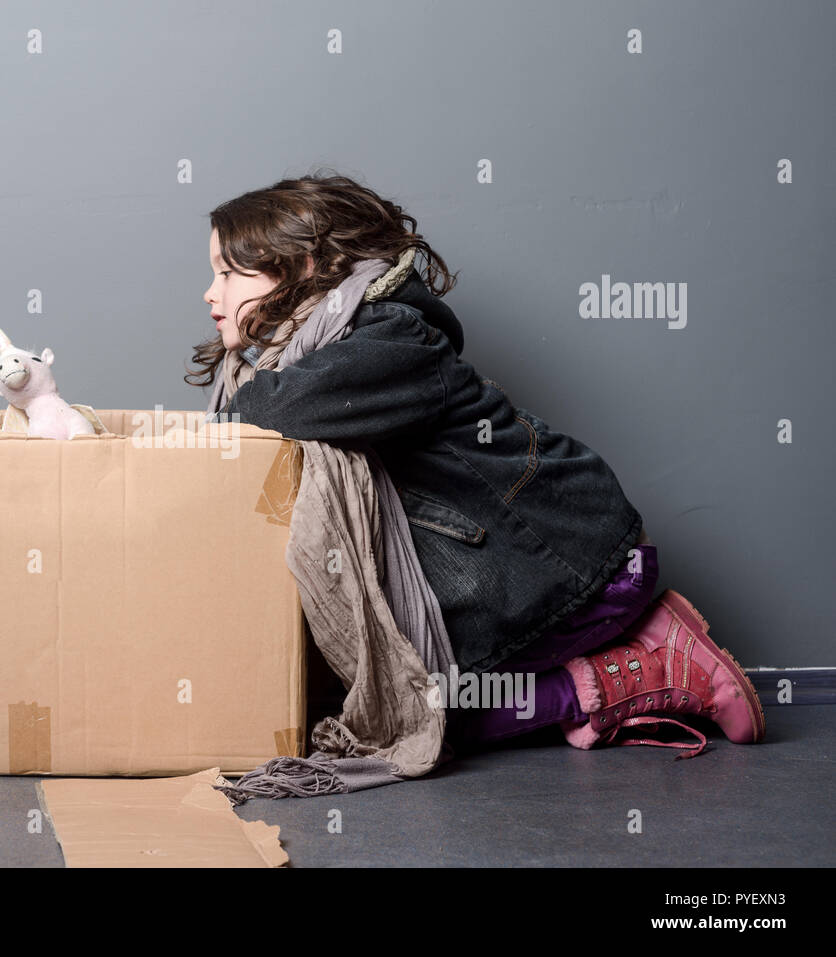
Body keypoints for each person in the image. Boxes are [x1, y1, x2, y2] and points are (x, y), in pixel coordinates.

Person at [190, 170, 764, 758]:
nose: (212, 293)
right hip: (524, 582)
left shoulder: (393, 340)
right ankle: (630, 657)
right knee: (366, 709)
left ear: (304, 267)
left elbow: (262, 414)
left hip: (584, 571)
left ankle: (639, 670)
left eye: (231, 273)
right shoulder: (322, 348)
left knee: (408, 725)